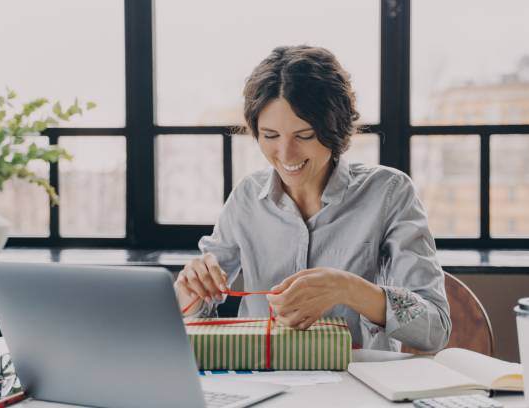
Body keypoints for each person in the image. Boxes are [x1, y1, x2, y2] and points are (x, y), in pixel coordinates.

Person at [174, 45, 451, 352]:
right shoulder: (247, 197)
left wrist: (347, 288)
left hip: (355, 387)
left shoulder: (389, 192)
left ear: (335, 128)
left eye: (304, 135)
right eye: (270, 136)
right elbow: (197, 316)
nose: (285, 154)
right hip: (262, 382)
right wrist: (192, 292)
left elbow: (435, 328)